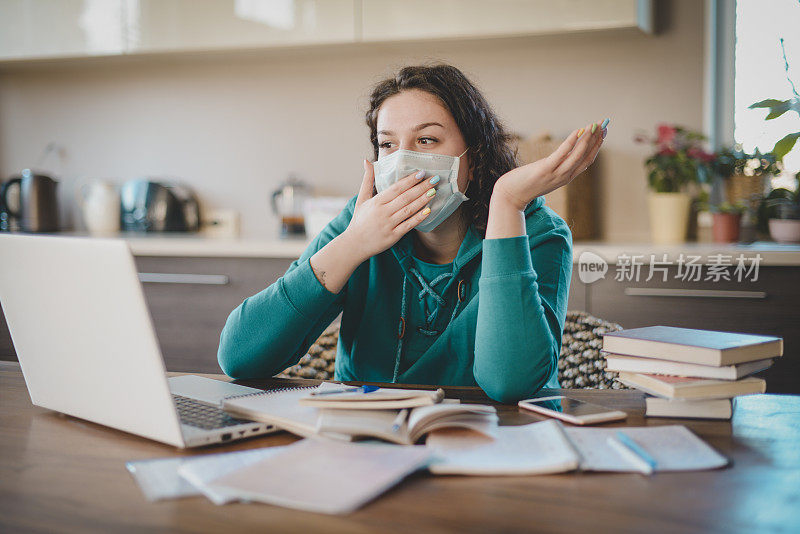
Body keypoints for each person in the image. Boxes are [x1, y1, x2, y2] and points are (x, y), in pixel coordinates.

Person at [218, 64, 607, 403]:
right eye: (387, 144)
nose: (403, 162)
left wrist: (507, 202)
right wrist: (354, 243)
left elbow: (510, 383)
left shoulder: (538, 231)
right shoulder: (362, 218)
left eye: (426, 140)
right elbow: (239, 357)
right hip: (367, 448)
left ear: (475, 152)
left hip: (493, 451)